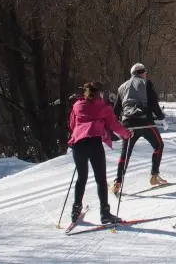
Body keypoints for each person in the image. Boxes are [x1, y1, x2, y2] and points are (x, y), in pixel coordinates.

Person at [68, 82, 131, 224]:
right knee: (100, 179)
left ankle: (75, 211)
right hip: (94, 143)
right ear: (100, 93)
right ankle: (105, 213)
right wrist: (126, 134)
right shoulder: (103, 106)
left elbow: (72, 124)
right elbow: (114, 125)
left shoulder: (77, 105)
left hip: (78, 144)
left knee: (81, 178)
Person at [111, 63, 167, 195]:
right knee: (159, 145)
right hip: (144, 121)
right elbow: (153, 102)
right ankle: (154, 175)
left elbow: (116, 110)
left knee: (125, 153)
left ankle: (118, 182)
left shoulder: (121, 87)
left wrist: (114, 125)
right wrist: (161, 117)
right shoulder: (146, 83)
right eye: (145, 72)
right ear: (142, 73)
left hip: (128, 123)